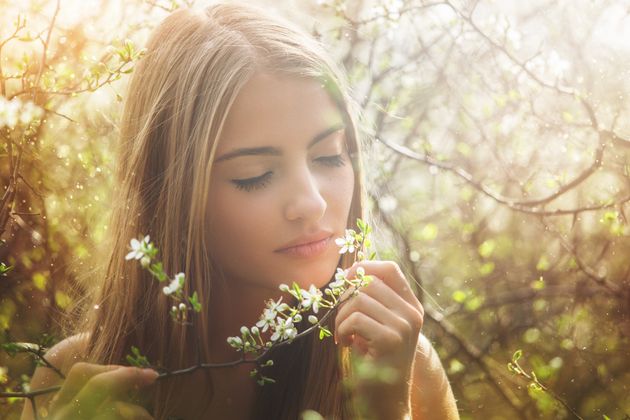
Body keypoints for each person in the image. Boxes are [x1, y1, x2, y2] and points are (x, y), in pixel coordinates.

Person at [21, 3, 459, 419]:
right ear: (174, 196)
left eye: (328, 156)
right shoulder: (75, 379)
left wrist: (387, 413)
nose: (312, 203)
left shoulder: (397, 363)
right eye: (254, 175)